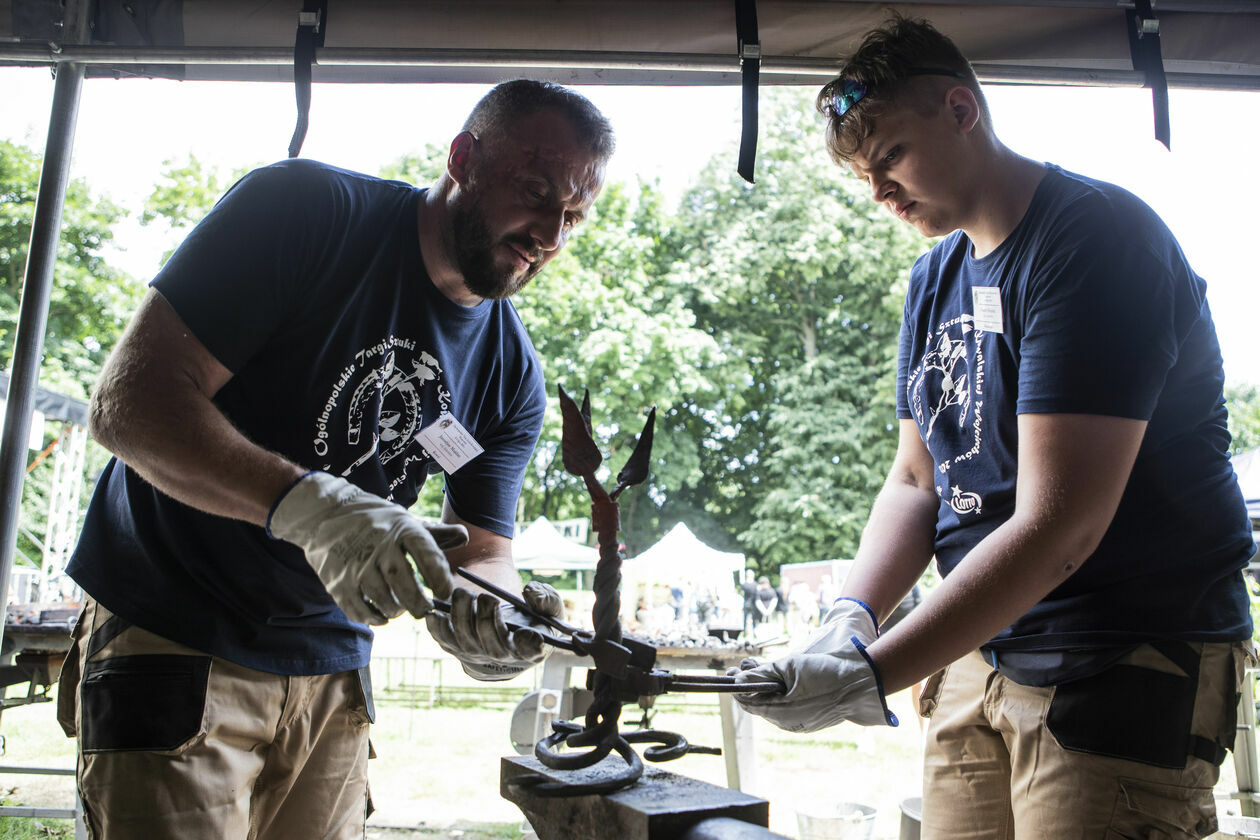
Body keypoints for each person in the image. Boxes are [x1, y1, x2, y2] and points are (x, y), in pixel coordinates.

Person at [732, 15, 1255, 839]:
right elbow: (915, 480)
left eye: (892, 156)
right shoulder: (935, 276)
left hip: (1118, 652)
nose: (880, 191)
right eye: (864, 174)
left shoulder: (1094, 242)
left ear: (960, 109)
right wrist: (854, 617)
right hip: (982, 652)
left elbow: (1060, 528)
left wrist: (870, 674)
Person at [55, 80, 614, 839]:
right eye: (536, 190)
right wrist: (314, 507)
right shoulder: (306, 214)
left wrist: (489, 619)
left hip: (332, 667)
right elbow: (131, 404)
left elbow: (485, 553)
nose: (549, 233)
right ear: (462, 159)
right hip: (177, 629)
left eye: (573, 217)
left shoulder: (511, 374)